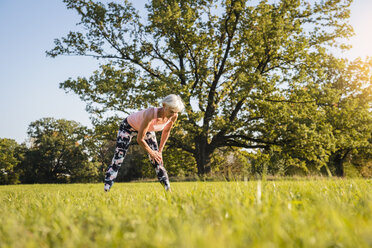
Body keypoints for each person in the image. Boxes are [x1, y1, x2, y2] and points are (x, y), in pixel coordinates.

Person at [104, 94, 184, 192]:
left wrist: (160, 151)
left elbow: (166, 131)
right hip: (128, 127)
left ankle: (168, 191)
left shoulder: (174, 115)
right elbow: (139, 139)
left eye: (175, 112)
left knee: (157, 159)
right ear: (164, 106)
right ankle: (106, 190)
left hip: (148, 130)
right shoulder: (151, 114)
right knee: (118, 159)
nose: (173, 114)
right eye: (171, 111)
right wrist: (151, 153)